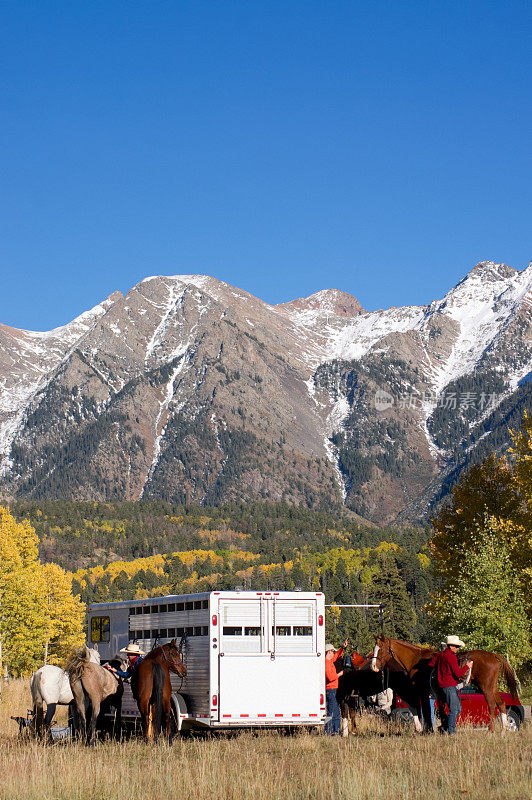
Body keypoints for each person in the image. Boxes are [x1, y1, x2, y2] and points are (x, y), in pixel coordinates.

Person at [435, 635, 473, 735]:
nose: (458, 649)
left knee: (456, 709)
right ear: (451, 646)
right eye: (457, 647)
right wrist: (467, 667)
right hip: (449, 686)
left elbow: (431, 664)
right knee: (455, 709)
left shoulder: (441, 655)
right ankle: (450, 731)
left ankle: (445, 727)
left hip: (442, 686)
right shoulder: (451, 657)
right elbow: (458, 674)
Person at [324, 638, 348, 735]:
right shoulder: (326, 663)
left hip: (333, 690)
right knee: (333, 712)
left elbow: (336, 656)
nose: (334, 653)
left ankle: (333, 731)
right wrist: (340, 674)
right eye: (332, 651)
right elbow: (331, 677)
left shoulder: (329, 661)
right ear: (329, 652)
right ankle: (332, 732)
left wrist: (343, 647)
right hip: (331, 690)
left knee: (333, 711)